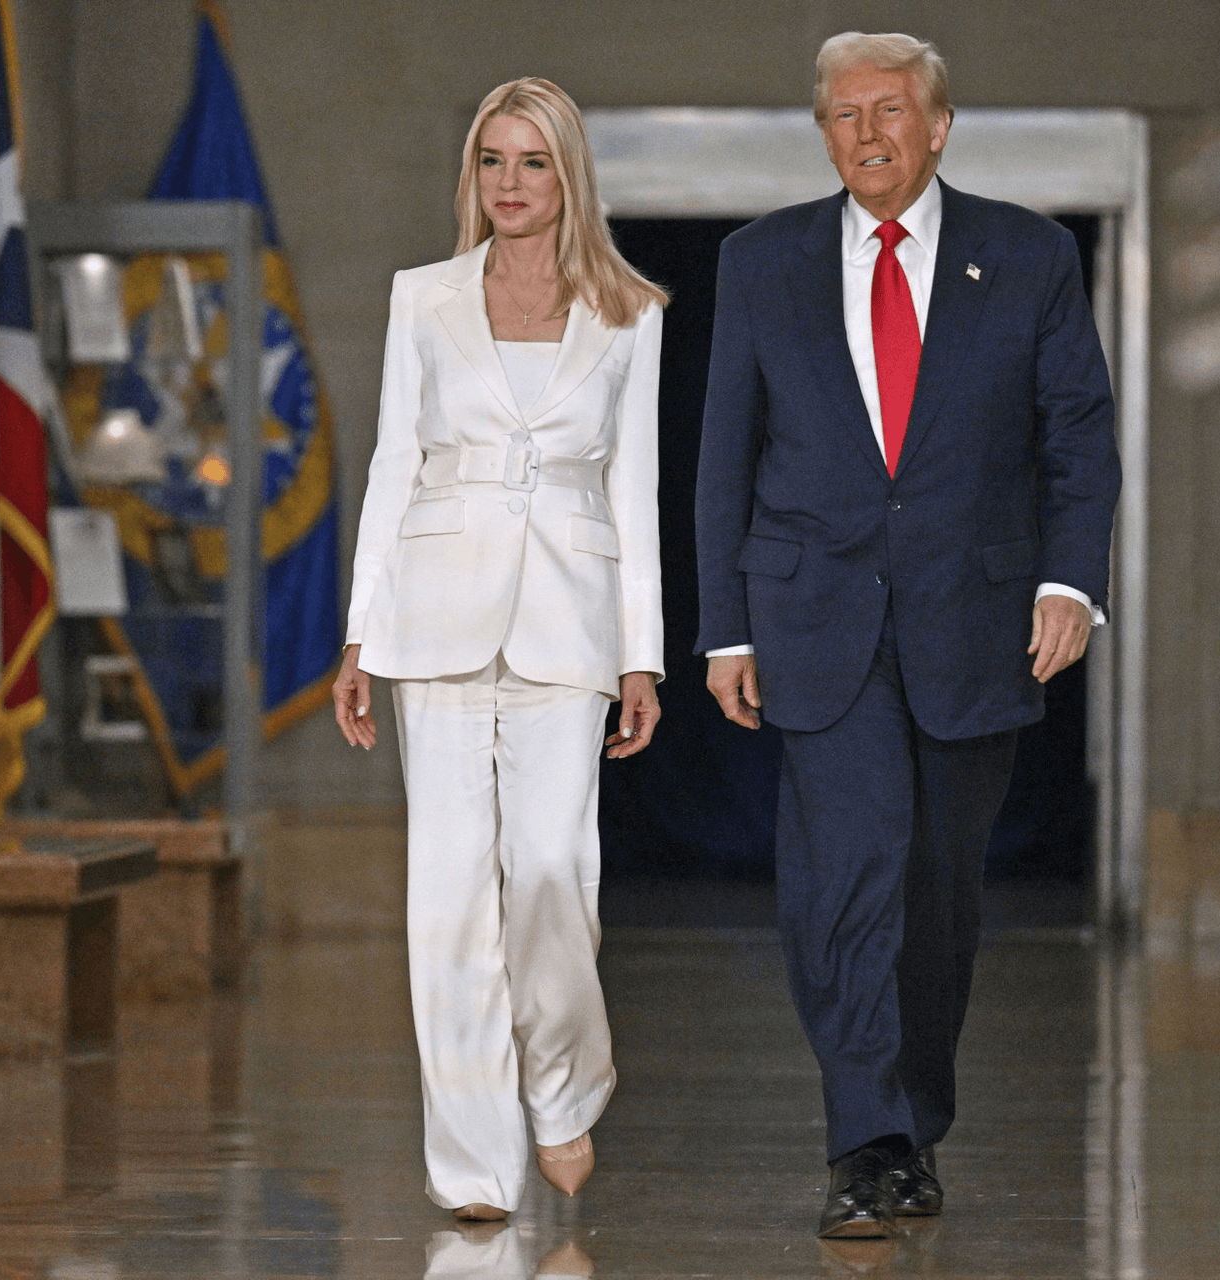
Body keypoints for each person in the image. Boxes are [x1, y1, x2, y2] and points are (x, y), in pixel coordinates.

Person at [694, 32, 1120, 1238]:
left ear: (938, 126)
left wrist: (1069, 582)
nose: (866, 132)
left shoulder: (1028, 255)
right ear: (822, 133)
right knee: (847, 876)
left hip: (973, 617)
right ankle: (863, 1138)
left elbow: (1078, 435)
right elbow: (725, 454)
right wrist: (725, 628)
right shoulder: (761, 259)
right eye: (843, 113)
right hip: (814, 617)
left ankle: (911, 1122)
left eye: (889, 110)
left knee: (936, 892)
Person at [333, 76, 666, 1223]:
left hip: (570, 617)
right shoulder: (421, 297)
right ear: (471, 172)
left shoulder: (631, 310)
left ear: (569, 174)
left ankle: (564, 1085)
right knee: (446, 896)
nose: (511, 183)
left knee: (552, 869)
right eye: (492, 160)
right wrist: (360, 631)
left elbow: (635, 489)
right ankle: (474, 1162)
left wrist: (640, 653)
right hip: (434, 609)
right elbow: (392, 464)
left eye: (533, 162)